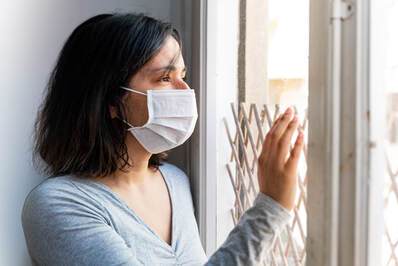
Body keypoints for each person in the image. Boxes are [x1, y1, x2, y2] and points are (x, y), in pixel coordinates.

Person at [21, 13, 304, 265]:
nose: (185, 91)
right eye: (165, 78)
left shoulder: (175, 181)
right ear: (110, 100)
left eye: (183, 75)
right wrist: (270, 207)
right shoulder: (57, 205)